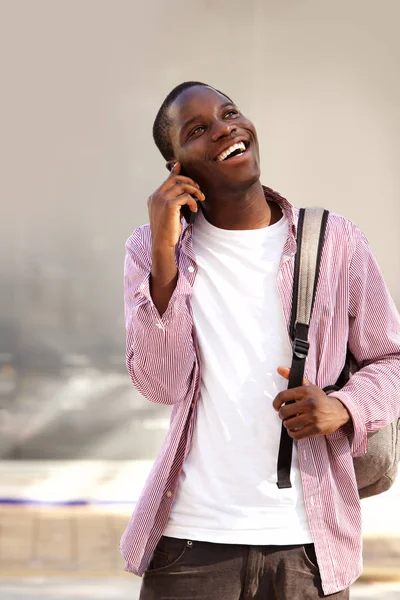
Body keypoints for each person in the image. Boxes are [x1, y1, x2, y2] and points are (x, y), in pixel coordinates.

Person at [120, 81, 400, 599]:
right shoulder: (151, 250)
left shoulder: (334, 242)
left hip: (308, 548)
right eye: (198, 130)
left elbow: (391, 358)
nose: (225, 128)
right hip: (189, 544)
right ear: (176, 168)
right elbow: (159, 384)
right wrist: (163, 258)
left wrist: (343, 407)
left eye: (229, 113)